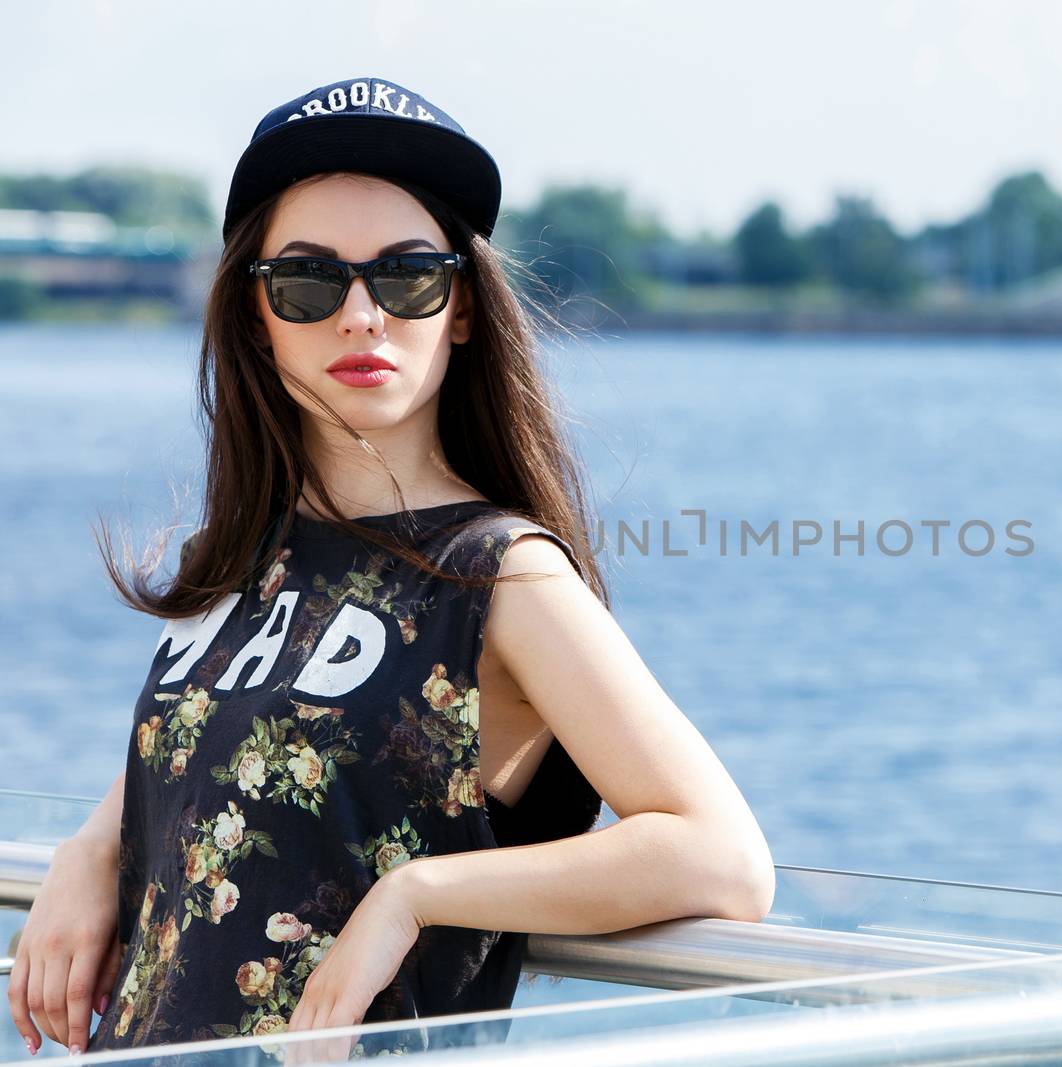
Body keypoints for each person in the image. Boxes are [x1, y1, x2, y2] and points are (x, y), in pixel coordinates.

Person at [7, 75, 775, 1062]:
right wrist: (93, 846)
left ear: (459, 308)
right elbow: (227, 760)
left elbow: (721, 855)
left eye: (408, 275)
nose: (362, 314)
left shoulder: (499, 575)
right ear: (255, 316)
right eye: (309, 281)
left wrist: (415, 896)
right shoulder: (237, 556)